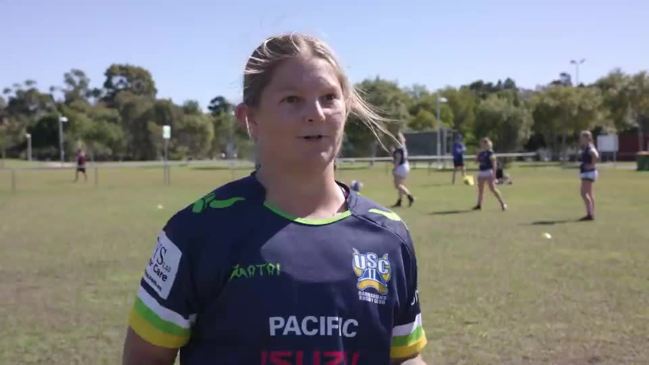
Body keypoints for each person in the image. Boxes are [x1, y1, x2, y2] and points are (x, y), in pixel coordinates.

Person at [122, 33, 427, 365]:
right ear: (250, 118)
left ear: (347, 108)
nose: (316, 114)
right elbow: (145, 357)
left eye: (329, 97)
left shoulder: (389, 236)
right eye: (292, 100)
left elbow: (405, 358)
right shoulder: (196, 231)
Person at [473, 137, 507, 211]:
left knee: (493, 189)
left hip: (489, 172)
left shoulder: (491, 153)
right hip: (481, 172)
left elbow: (494, 165)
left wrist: (494, 176)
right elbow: (476, 162)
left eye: (485, 143)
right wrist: (477, 155)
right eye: (482, 143)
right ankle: (479, 205)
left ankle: (503, 203)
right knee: (480, 190)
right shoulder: (481, 153)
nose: (483, 145)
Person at [578, 130, 599, 221]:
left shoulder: (590, 147)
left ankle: (589, 214)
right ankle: (591, 213)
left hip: (588, 173)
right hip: (588, 172)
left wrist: (591, 165)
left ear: (587, 138)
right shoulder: (586, 147)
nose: (580, 139)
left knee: (583, 193)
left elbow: (595, 155)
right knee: (589, 193)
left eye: (582, 138)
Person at [391, 132, 415, 208]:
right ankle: (399, 201)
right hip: (406, 165)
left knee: (398, 185)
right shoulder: (403, 147)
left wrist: (394, 169)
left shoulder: (398, 149)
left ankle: (410, 196)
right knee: (401, 185)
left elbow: (397, 160)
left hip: (401, 166)